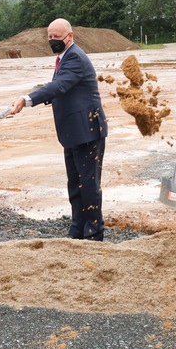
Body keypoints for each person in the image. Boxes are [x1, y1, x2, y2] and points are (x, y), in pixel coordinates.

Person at [10, 19, 108, 241]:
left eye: (57, 37)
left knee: (88, 185)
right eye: (50, 37)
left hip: (87, 131)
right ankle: (77, 230)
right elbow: (59, 87)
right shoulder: (63, 58)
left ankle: (94, 233)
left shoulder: (74, 57)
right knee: (75, 185)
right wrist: (34, 93)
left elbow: (60, 85)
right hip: (73, 133)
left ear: (70, 36)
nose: (52, 41)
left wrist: (28, 99)